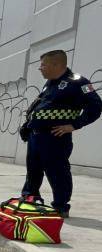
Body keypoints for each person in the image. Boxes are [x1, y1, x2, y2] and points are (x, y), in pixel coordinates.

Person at [19, 50, 101, 218]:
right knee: (33, 170)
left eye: (43, 65)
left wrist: (74, 125)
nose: (40, 68)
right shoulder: (50, 83)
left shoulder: (78, 83)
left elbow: (96, 106)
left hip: (55, 137)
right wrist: (28, 125)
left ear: (56, 65)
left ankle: (60, 205)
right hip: (36, 135)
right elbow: (43, 106)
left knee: (57, 171)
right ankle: (30, 197)